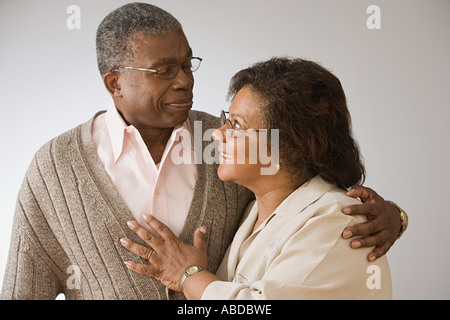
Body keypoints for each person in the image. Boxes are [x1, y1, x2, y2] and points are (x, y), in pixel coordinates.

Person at [1, 3, 406, 300]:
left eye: (187, 65)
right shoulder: (55, 168)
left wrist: (392, 216)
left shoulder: (228, 147)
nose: (184, 82)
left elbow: (312, 193)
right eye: (164, 70)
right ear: (115, 83)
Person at [121, 57, 394, 299]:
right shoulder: (253, 210)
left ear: (287, 145)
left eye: (237, 125)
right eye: (226, 119)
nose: (217, 134)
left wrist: (189, 275)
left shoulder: (338, 223)